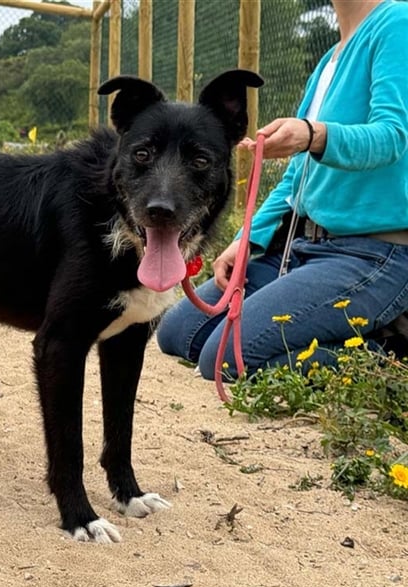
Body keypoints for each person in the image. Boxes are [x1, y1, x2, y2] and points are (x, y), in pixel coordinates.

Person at [156, 0, 408, 380]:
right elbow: (296, 178)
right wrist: (246, 240)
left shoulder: (397, 23)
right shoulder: (330, 60)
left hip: (373, 253)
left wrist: (311, 134)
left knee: (225, 359)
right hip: (302, 247)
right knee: (178, 333)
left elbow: (393, 136)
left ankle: (390, 358)